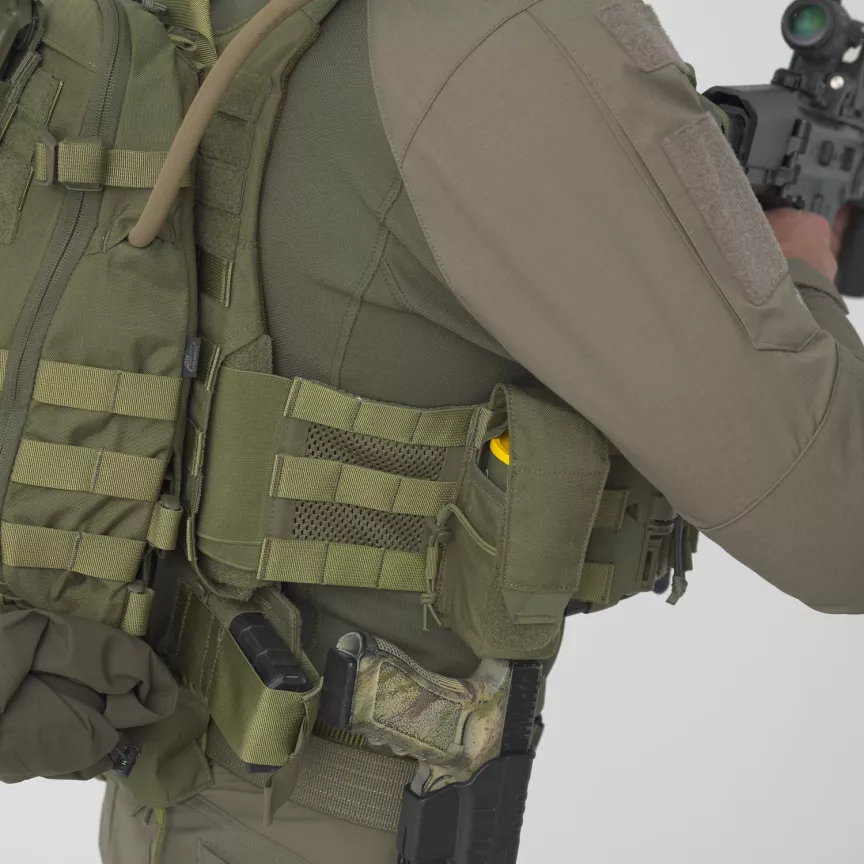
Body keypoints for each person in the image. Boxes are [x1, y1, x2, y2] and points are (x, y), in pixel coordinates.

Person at [1, 2, 861, 863]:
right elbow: (835, 525)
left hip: (167, 800)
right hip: (350, 812)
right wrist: (800, 268)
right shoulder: (513, 35)